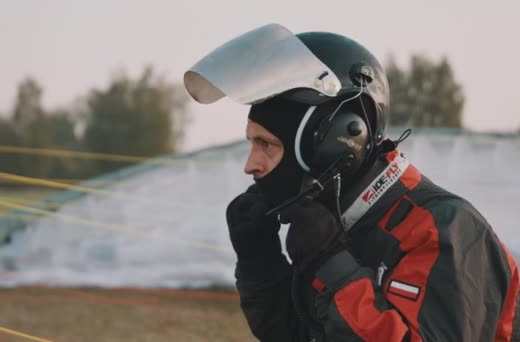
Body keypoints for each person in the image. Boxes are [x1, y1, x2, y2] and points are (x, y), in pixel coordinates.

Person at [183, 24, 520, 341]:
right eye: (252, 144)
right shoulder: (336, 220)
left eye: (267, 145)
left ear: (338, 144)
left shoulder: (445, 229)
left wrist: (333, 268)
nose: (250, 165)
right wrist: (261, 262)